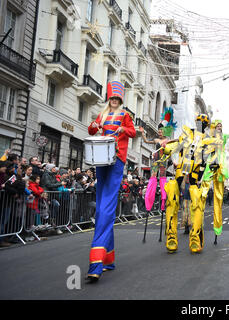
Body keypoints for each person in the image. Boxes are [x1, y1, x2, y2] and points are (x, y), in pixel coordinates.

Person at [85, 81, 136, 283]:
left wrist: (123, 128)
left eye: (117, 99)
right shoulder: (103, 114)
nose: (114, 101)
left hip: (116, 159)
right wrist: (94, 125)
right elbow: (91, 131)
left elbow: (133, 132)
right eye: (112, 99)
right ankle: (108, 259)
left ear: (120, 101)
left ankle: (96, 262)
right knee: (102, 207)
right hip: (101, 158)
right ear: (109, 100)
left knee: (105, 208)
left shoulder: (125, 115)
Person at [162, 113, 220, 253]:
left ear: (207, 125)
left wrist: (214, 164)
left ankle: (195, 237)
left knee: (197, 203)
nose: (201, 123)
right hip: (180, 172)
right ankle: (171, 236)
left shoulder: (208, 140)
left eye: (204, 122)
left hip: (194, 176)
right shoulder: (187, 134)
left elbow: (214, 158)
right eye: (199, 121)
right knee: (172, 199)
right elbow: (176, 148)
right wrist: (168, 149)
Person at [203, 119, 229, 242]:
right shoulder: (209, 137)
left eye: (221, 125)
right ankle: (197, 219)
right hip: (210, 165)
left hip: (220, 166)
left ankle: (217, 227)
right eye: (218, 125)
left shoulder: (224, 137)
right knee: (203, 191)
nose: (220, 127)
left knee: (218, 198)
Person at [140, 108, 176, 214]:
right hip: (155, 160)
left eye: (161, 132)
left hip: (163, 161)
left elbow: (175, 142)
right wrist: (142, 132)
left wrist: (181, 139)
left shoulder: (167, 140)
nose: (159, 133)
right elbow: (146, 140)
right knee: (153, 177)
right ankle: (149, 201)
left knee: (163, 179)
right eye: (159, 132)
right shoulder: (156, 140)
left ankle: (164, 200)